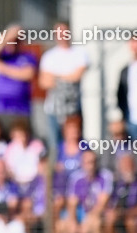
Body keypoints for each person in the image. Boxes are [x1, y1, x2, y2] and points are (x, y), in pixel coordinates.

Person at [39, 22, 89, 150]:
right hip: (53, 109)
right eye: (58, 32)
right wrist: (66, 77)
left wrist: (55, 77)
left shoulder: (79, 53)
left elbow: (77, 76)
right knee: (55, 145)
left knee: (75, 143)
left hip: (73, 110)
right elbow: (44, 82)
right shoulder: (49, 56)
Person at [0, 25, 38, 131]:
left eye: (17, 40)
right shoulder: (1, 56)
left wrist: (3, 68)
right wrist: (8, 34)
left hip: (22, 110)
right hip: (1, 109)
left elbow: (28, 74)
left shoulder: (28, 57)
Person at [117, 37, 137, 142]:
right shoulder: (125, 70)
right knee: (134, 151)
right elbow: (120, 94)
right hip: (130, 117)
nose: (136, 47)